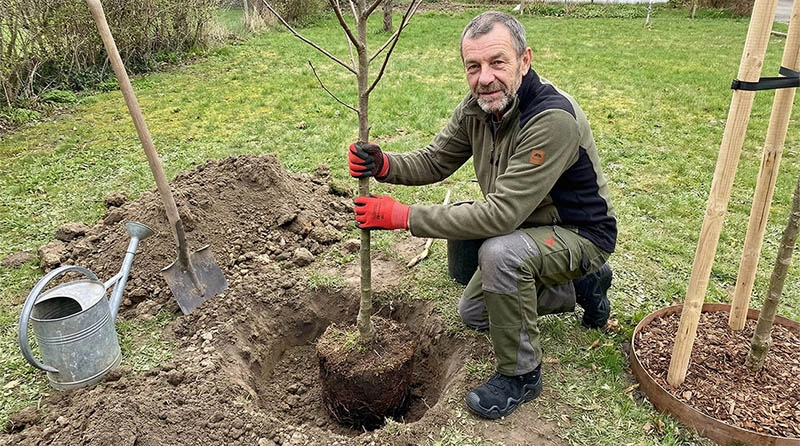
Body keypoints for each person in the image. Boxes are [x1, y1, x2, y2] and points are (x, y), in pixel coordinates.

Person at [347, 11, 616, 420]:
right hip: (529, 226)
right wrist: (384, 165)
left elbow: (502, 214)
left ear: (524, 61)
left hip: (579, 233)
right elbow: (436, 160)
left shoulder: (552, 119)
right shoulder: (479, 108)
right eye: (473, 66)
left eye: (497, 62)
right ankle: (579, 288)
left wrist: (404, 217)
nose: (484, 77)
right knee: (473, 313)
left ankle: (521, 374)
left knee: (500, 254)